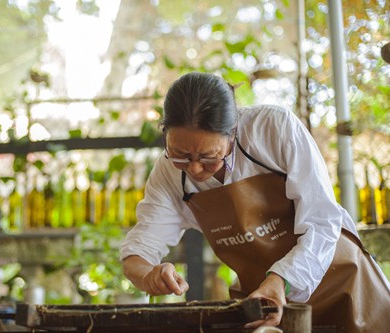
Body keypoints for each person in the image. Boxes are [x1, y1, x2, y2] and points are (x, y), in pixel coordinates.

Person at [120, 72, 390, 332]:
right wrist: (148, 274)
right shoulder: (168, 172)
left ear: (233, 132)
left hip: (342, 282)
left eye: (209, 157)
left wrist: (282, 280)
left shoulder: (274, 129)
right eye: (180, 154)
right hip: (266, 301)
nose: (194, 169)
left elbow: (322, 220)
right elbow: (137, 253)